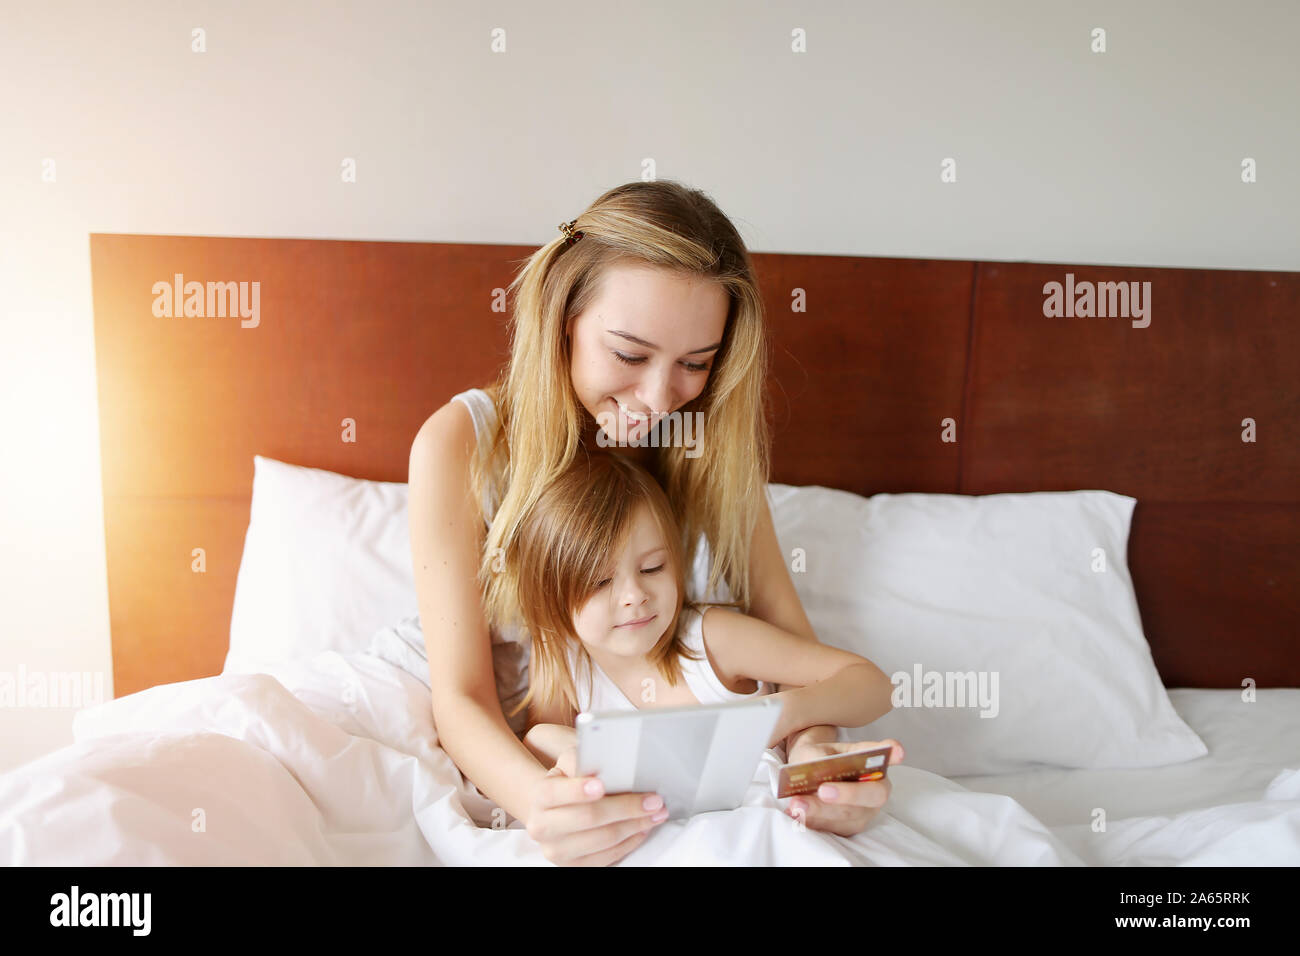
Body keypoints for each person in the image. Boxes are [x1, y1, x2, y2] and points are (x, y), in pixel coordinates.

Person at [408, 180, 900, 866]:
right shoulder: (458, 445)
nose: (658, 397)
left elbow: (794, 646)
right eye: (631, 355)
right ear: (564, 316)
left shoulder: (708, 443)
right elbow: (462, 699)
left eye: (696, 364)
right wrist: (539, 802)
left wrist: (814, 749)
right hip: (488, 727)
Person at [508, 452, 900, 806]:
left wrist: (783, 716)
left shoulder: (712, 639)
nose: (634, 595)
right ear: (552, 597)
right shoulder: (566, 658)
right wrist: (581, 752)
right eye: (599, 582)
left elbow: (874, 686)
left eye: (652, 568)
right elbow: (538, 738)